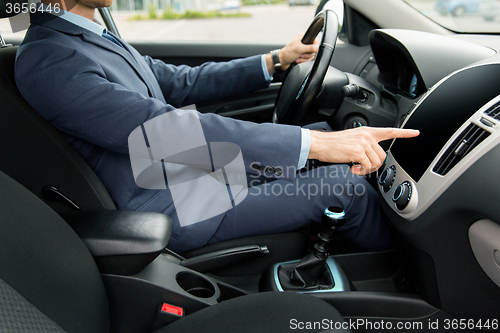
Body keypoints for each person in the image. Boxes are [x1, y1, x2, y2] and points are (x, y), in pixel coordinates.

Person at [14, 0, 419, 253]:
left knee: (318, 135)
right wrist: (315, 145)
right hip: (173, 202)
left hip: (188, 176)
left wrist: (278, 60)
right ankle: (402, 281)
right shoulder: (51, 59)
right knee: (343, 186)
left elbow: (178, 83)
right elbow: (160, 129)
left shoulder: (87, 38)